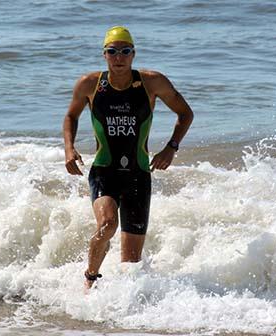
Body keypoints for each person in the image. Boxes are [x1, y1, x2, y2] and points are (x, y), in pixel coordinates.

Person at [63, 26, 193, 289]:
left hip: (138, 175)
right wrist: (69, 147)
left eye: (125, 51)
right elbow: (71, 116)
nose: (118, 56)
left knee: (132, 264)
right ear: (104, 55)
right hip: (104, 171)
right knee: (107, 224)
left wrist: (171, 147)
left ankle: (121, 314)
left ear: (133, 54)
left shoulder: (152, 82)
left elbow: (185, 113)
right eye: (112, 51)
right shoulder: (89, 84)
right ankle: (90, 279)